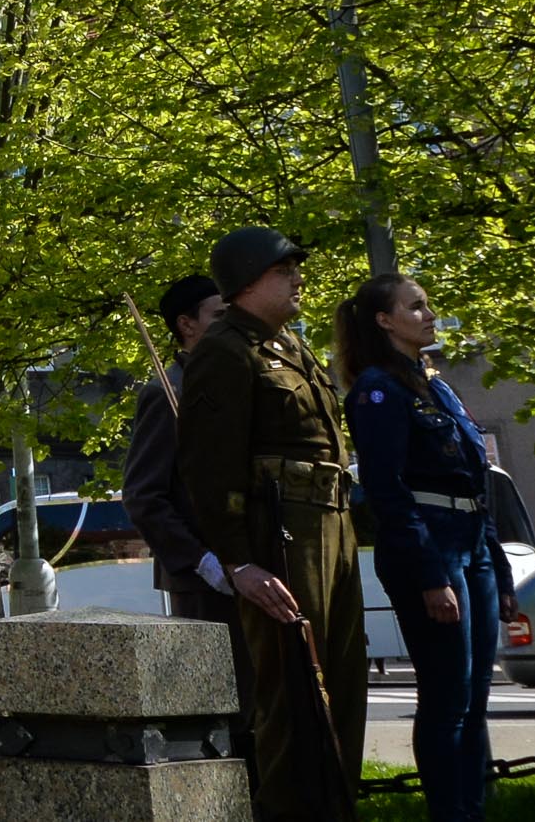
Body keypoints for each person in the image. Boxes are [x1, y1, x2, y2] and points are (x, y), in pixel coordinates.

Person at [177, 226, 365, 822]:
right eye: (285, 270)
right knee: (295, 697)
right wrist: (239, 561)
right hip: (280, 539)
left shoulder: (292, 347)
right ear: (251, 279)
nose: (298, 279)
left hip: (330, 527)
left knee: (343, 687)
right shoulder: (223, 350)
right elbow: (209, 470)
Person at [338, 274, 514, 822]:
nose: (430, 314)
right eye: (416, 307)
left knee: (475, 697)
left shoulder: (436, 386)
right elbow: (387, 490)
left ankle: (472, 809)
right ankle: (450, 814)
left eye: (427, 304)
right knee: (447, 700)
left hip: (472, 543)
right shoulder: (377, 389)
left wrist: (499, 570)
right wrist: (430, 574)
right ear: (385, 321)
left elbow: (474, 480)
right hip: (429, 548)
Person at [126, 275, 237, 619]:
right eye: (218, 316)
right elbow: (143, 495)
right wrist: (199, 559)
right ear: (186, 324)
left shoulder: (236, 380)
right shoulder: (167, 392)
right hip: (204, 582)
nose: (230, 325)